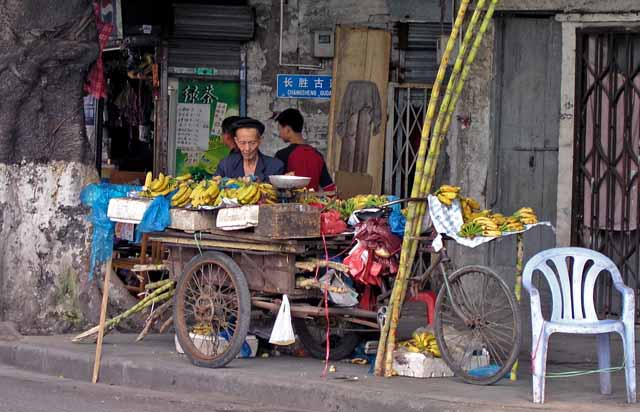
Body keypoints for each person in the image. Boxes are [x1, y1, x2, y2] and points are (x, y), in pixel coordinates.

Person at [274, 108, 335, 191]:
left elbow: (274, 188)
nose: (279, 133)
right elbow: (328, 187)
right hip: (313, 203)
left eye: (280, 129)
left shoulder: (282, 155)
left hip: (290, 203)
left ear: (287, 129)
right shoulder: (317, 155)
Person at [215, 117, 284, 181]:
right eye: (242, 143)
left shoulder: (275, 166)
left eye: (252, 142)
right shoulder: (225, 165)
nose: (247, 148)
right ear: (236, 141)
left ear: (260, 140)